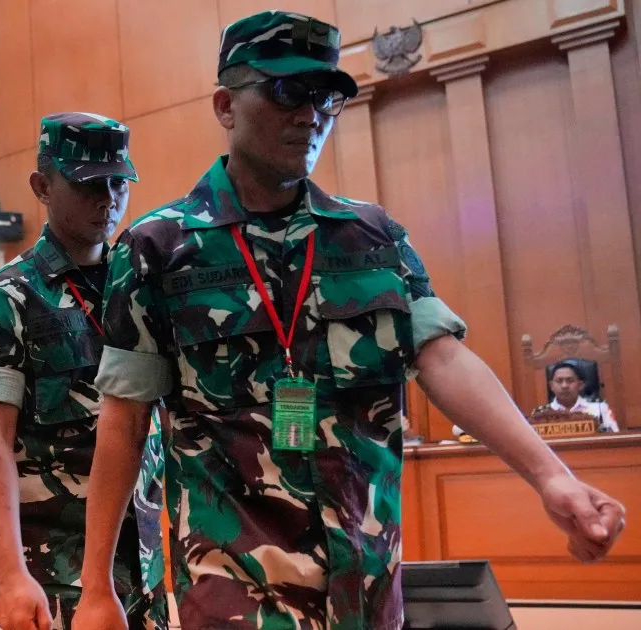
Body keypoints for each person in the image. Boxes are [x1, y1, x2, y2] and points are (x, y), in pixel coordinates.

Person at [72, 11, 627, 630]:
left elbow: (442, 358)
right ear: (226, 106)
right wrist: (97, 586)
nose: (310, 115)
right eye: (287, 91)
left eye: (325, 98)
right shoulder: (158, 249)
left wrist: (552, 478)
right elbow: (124, 420)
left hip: (366, 580)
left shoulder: (372, 237)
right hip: (235, 583)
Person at [0, 113, 166, 630]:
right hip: (55, 568)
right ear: (42, 186)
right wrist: (11, 574)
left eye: (118, 183)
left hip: (143, 560)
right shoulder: (5, 296)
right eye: (88, 184)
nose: (108, 199)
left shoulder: (139, 284)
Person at [532, 361, 620, 433]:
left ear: (580, 385)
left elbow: (614, 438)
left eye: (570, 380)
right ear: (551, 386)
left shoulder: (600, 409)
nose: (564, 386)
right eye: (559, 381)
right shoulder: (541, 414)